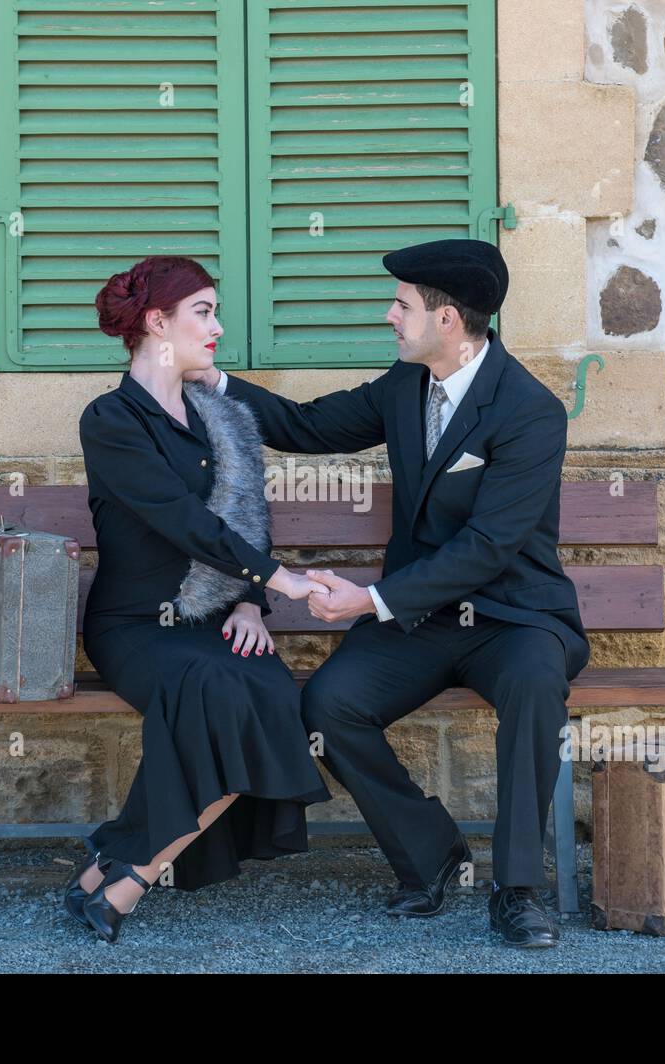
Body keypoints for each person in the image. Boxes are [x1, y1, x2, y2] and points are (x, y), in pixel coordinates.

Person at [184, 239, 591, 948]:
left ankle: (519, 889)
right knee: (329, 704)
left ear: (449, 321)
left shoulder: (530, 411)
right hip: (422, 620)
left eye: (402, 305)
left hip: (516, 617)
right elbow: (306, 425)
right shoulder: (405, 387)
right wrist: (212, 379)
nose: (388, 316)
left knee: (534, 689)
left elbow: (489, 547)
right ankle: (430, 854)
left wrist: (371, 602)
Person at [65, 255, 331, 944]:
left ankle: (117, 860)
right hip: (136, 626)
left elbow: (244, 515)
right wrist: (282, 579)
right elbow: (185, 521)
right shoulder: (111, 420)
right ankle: (124, 880)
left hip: (219, 619)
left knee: (273, 697)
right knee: (216, 691)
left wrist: (251, 603)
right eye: (203, 312)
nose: (217, 327)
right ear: (158, 322)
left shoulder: (221, 413)